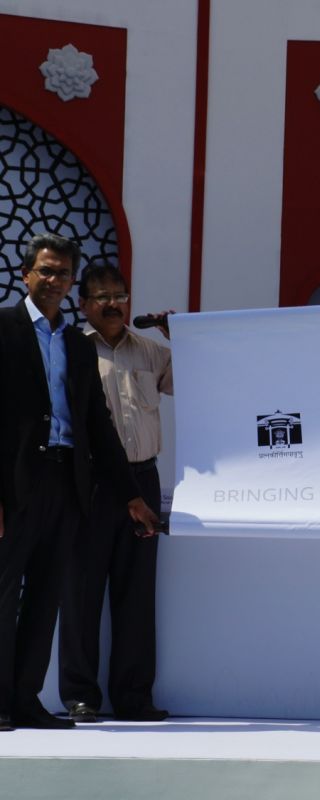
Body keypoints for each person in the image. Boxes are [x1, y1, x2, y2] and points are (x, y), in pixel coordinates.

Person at [0, 233, 158, 731]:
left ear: (72, 283)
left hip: (67, 483)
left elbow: (98, 425)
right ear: (26, 274)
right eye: (46, 270)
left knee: (46, 596)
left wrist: (131, 495)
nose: (54, 280)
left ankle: (25, 701)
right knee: (4, 593)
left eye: (63, 273)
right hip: (14, 484)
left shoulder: (75, 343)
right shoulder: (3, 329)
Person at [59, 263, 174, 723]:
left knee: (137, 593)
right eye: (102, 297)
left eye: (119, 296)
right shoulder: (70, 350)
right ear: (83, 304)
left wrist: (181, 338)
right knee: (81, 591)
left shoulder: (151, 351)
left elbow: (202, 383)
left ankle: (133, 697)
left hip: (143, 479)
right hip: (89, 484)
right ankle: (79, 696)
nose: (112, 304)